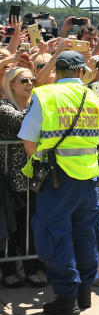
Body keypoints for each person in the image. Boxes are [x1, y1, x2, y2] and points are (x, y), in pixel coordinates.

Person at [18, 49, 99, 315]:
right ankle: (85, 294)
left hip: (57, 180)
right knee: (87, 236)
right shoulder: (93, 98)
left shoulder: (44, 96)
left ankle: (67, 298)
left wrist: (41, 158)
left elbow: (28, 141)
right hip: (88, 178)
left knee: (54, 234)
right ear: (81, 72)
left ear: (56, 71)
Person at [0, 67, 44, 288]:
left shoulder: (35, 105)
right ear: (11, 85)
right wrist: (42, 101)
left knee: (31, 226)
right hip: (9, 180)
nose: (30, 83)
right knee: (11, 227)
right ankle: (8, 270)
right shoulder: (3, 106)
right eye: (23, 80)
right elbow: (21, 123)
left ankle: (30, 269)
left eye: (33, 79)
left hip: (32, 178)